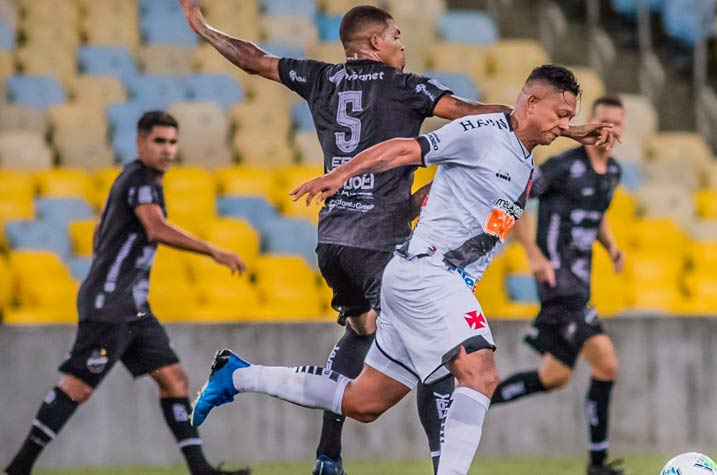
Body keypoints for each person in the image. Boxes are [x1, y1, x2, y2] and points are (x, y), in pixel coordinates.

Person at [179, 3, 610, 473]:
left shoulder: (522, 159)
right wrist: (339, 175)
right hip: (426, 272)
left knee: (364, 400)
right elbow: (406, 147)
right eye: (561, 113)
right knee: (478, 372)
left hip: (391, 264)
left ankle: (240, 376)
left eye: (571, 117)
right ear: (529, 102)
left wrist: (564, 135)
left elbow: (456, 201)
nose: (565, 123)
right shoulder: (479, 130)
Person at [4, 112, 250, 475]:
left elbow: (101, 231)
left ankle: (201, 470)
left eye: (172, 142)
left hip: (134, 307)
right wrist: (213, 251)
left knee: (174, 379)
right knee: (77, 387)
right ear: (140, 143)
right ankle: (18, 468)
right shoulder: (140, 179)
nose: (167, 149)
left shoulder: (130, 181)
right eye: (159, 141)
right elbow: (155, 228)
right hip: (111, 305)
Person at [489, 96, 628, 475]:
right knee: (607, 363)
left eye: (616, 122)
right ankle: (598, 465)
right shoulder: (564, 166)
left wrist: (612, 246)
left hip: (581, 285)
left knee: (555, 377)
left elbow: (597, 214)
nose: (608, 129)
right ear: (591, 123)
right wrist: (533, 254)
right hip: (558, 284)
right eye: (602, 120)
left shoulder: (612, 171)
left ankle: (470, 399)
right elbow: (516, 197)